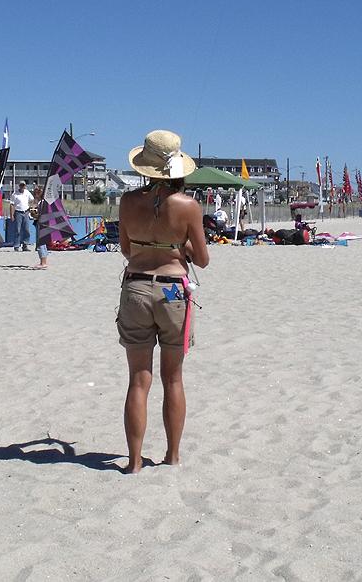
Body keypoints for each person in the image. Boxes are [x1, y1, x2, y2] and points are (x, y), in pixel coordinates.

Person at [117, 130, 209, 474]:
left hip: (137, 287)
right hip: (172, 291)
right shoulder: (188, 206)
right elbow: (202, 260)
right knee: (173, 379)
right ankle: (172, 455)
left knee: (138, 379)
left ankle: (134, 462)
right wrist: (179, 247)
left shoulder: (127, 202)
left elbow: (127, 249)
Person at [10, 181, 34, 251]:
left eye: (23, 185)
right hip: (18, 212)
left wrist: (30, 207)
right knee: (17, 230)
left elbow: (32, 200)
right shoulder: (15, 194)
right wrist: (11, 215)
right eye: (21, 185)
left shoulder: (27, 192)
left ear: (25, 186)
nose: (22, 186)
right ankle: (16, 245)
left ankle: (25, 245)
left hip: (26, 212)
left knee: (26, 229)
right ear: (19, 186)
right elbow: (12, 204)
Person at [32, 185, 49, 269]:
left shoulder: (41, 203)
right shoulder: (43, 202)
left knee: (40, 243)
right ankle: (43, 261)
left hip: (41, 223)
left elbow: (41, 215)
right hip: (43, 223)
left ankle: (43, 262)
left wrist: (34, 214)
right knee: (42, 243)